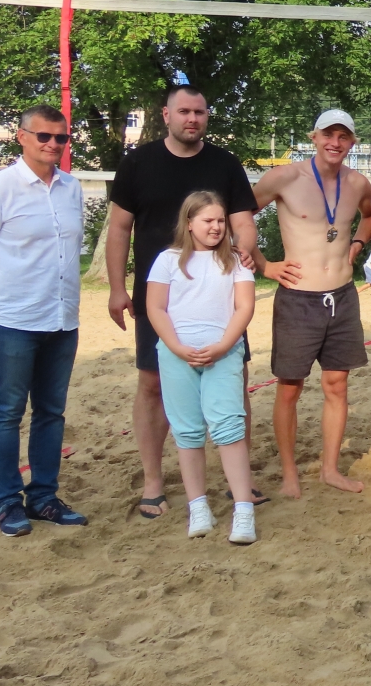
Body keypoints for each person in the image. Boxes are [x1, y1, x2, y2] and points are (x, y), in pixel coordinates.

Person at [106, 85, 260, 521]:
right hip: (160, 295)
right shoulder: (138, 162)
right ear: (166, 115)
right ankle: (154, 482)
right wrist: (117, 288)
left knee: (233, 381)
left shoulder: (224, 163)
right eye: (184, 111)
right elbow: (119, 229)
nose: (192, 119)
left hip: (218, 295)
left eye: (200, 112)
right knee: (152, 384)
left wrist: (244, 249)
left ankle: (238, 483)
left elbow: (244, 222)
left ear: (207, 116)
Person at [0, 105, 88, 537]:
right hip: (13, 323)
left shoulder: (72, 188)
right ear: (22, 137)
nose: (53, 144)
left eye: (61, 137)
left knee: (51, 412)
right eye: (43, 136)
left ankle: (44, 497)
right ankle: (7, 503)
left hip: (62, 320)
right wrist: (4, 300)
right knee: (7, 412)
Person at [252, 109, 371, 497]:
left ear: (352, 142)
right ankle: (290, 474)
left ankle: (330, 469)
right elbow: (238, 216)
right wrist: (264, 265)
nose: (335, 143)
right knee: (290, 387)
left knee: (337, 384)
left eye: (343, 136)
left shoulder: (357, 182)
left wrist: (358, 243)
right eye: (328, 135)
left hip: (342, 295)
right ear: (314, 137)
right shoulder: (285, 177)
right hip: (298, 297)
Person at [144, 192, 260, 543]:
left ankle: (243, 509)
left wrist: (224, 345)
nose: (216, 227)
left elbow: (244, 307)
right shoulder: (167, 260)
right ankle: (198, 506)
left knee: (228, 426)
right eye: (208, 220)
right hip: (177, 355)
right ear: (189, 223)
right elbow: (156, 307)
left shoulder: (235, 261)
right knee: (188, 431)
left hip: (222, 353)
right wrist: (176, 347)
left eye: (221, 220)